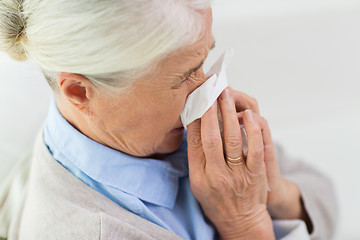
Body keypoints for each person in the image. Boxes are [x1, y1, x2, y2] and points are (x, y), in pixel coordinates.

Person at [0, 0, 337, 239]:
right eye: (183, 77)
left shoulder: (160, 128)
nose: (209, 91)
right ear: (79, 92)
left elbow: (325, 197)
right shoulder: (94, 231)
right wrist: (245, 223)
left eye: (205, 59)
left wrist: (275, 191)